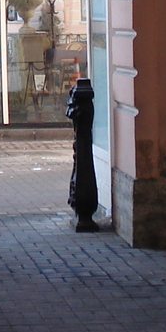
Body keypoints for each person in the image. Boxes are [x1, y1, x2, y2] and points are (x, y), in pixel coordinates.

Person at [66, 75, 101, 232]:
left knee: (83, 169)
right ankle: (83, 213)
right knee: (82, 168)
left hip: (82, 145)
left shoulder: (82, 110)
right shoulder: (82, 109)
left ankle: (84, 213)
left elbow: (73, 113)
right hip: (81, 145)